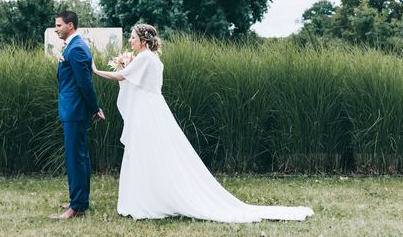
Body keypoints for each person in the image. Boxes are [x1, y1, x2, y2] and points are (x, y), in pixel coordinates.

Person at [92, 23, 314, 223]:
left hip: (146, 111)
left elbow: (121, 77)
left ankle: (148, 200)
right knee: (152, 152)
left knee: (145, 152)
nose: (130, 41)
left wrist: (95, 70)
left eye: (132, 37)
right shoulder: (154, 59)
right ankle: (151, 196)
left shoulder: (144, 58)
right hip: (153, 108)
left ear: (144, 40)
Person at [52, 10, 105, 220]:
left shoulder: (76, 49)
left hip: (75, 111)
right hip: (72, 110)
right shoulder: (74, 47)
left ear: (70, 25)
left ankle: (77, 206)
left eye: (58, 25)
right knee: (78, 156)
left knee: (76, 158)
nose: (56, 29)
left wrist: (94, 108)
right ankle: (80, 200)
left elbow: (85, 83)